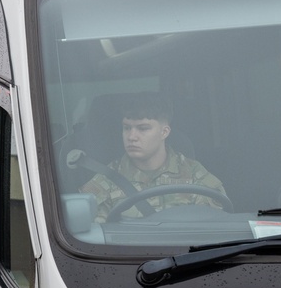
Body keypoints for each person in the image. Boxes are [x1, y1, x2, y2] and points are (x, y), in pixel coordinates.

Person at [80, 94, 227, 222]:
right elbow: (92, 236)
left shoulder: (195, 175)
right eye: (126, 128)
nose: (131, 137)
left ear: (164, 132)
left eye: (143, 128)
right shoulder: (107, 179)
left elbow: (215, 229)